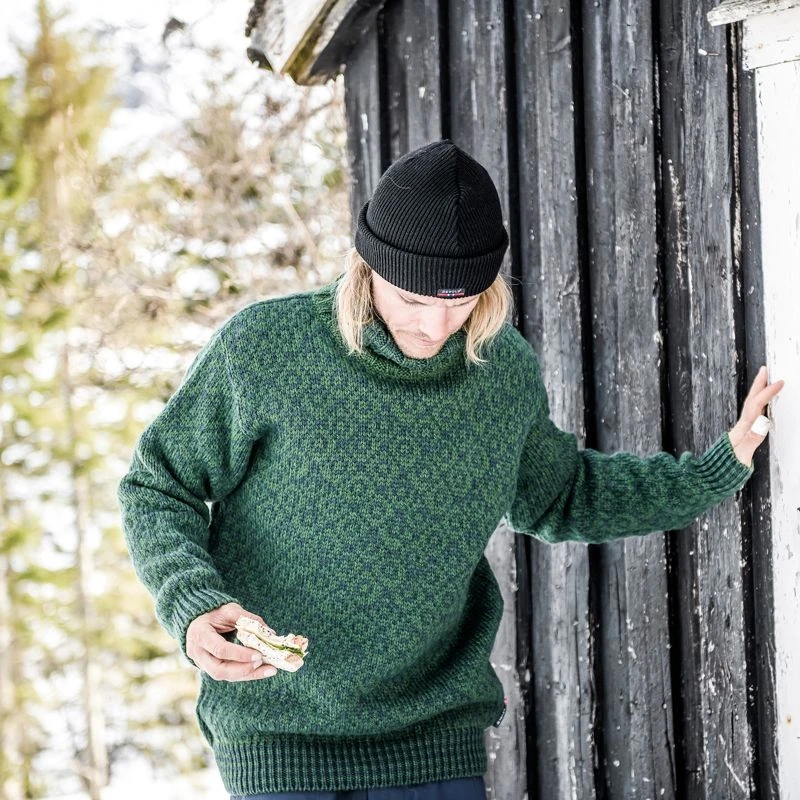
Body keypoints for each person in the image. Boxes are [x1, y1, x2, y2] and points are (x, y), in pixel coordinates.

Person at [116, 138, 784, 800]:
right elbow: (158, 486)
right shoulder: (267, 349)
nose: (436, 327)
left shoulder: (501, 373)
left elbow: (564, 495)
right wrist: (193, 605)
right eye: (413, 299)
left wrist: (715, 468)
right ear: (367, 268)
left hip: (433, 733)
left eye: (460, 301)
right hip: (278, 731)